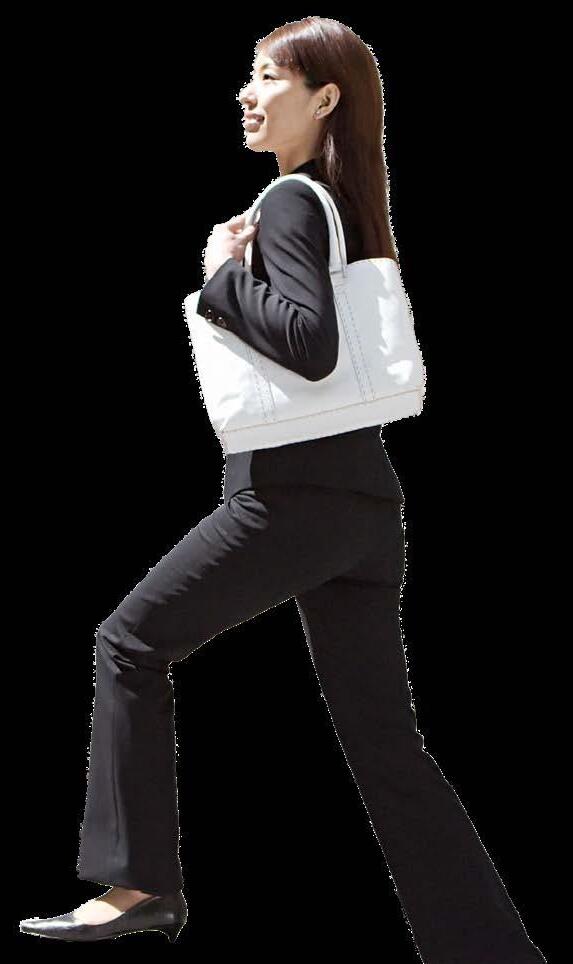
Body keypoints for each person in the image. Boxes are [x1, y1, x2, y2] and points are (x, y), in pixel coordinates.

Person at [20, 17, 547, 961]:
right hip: (361, 503)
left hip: (290, 495)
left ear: (324, 97)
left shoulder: (296, 200)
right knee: (387, 747)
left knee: (128, 641)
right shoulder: (345, 203)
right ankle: (488, 952)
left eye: (268, 76)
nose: (246, 93)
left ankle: (138, 885)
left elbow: (309, 347)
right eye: (250, 75)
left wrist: (221, 277)